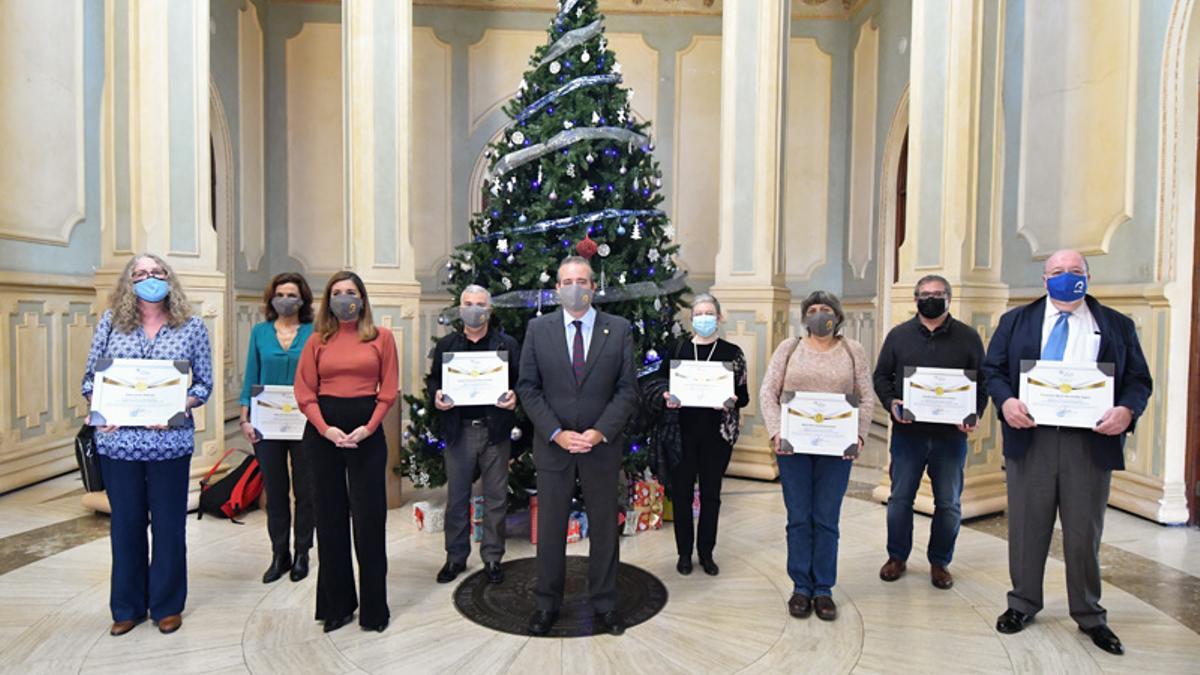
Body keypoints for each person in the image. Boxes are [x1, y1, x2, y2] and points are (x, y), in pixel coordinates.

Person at [981, 249, 1151, 656]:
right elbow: (993, 371)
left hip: (1089, 444)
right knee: (1026, 527)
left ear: (1088, 276)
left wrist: (1126, 411)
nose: (1066, 277)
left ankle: (1090, 614)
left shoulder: (1116, 325)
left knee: (1083, 533)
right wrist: (1005, 403)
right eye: (1057, 271)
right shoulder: (1015, 321)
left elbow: (1139, 380)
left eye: (1075, 271)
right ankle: (1022, 603)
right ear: (1044, 280)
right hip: (1031, 438)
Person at [81, 253, 213, 637]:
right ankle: (127, 606)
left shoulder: (191, 326)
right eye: (140, 273)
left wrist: (178, 404)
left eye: (157, 272)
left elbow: (202, 384)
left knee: (170, 527)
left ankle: (167, 605)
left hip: (169, 444)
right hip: (118, 444)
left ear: (169, 279)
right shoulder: (111, 323)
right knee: (126, 526)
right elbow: (91, 379)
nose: (149, 278)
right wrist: (101, 409)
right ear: (128, 282)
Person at [516, 256, 638, 637]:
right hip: (555, 447)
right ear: (557, 288)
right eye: (568, 281)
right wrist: (556, 432)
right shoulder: (538, 329)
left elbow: (627, 389)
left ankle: (605, 603)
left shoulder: (618, 331)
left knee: (604, 528)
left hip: (601, 447)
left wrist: (600, 431)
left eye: (582, 280)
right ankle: (546, 604)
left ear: (593, 287)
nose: (575, 287)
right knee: (550, 529)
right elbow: (528, 388)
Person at [294, 271, 399, 634]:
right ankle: (336, 606)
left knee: (370, 521)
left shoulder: (381, 337)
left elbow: (389, 389)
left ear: (362, 298)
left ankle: (374, 609)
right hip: (323, 433)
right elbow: (304, 391)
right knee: (330, 519)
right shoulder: (316, 339)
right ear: (328, 300)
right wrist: (325, 429)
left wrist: (370, 427)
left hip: (366, 431)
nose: (343, 298)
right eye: (336, 293)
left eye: (350, 292)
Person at [760, 290, 874, 622]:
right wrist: (776, 431)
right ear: (804, 315)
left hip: (836, 448)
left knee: (826, 518)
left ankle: (823, 588)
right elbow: (769, 391)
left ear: (837, 316)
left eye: (825, 309)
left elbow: (865, 396)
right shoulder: (789, 348)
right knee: (798, 517)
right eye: (812, 309)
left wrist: (859, 435)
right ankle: (800, 586)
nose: (819, 314)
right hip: (793, 446)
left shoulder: (853, 350)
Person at [872, 275, 986, 590]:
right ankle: (897, 557)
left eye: (938, 293)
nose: (931, 298)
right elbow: (881, 376)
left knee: (948, 503)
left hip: (951, 436)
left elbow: (982, 382)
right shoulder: (899, 336)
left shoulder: (968, 337)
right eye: (925, 294)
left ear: (948, 298)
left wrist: (974, 412)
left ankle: (940, 562)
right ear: (915, 299)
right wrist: (890, 401)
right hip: (909, 434)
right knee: (899, 499)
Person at [428, 285, 520, 585]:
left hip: (496, 430)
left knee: (495, 498)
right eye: (468, 303)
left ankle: (492, 557)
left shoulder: (506, 345)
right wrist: (437, 395)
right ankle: (455, 557)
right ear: (460, 308)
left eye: (480, 304)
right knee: (457, 498)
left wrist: (515, 397)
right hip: (459, 432)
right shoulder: (447, 347)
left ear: (490, 310)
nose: (475, 309)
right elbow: (434, 384)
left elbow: (522, 382)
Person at [657, 293, 749, 577]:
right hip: (681, 435)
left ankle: (706, 553)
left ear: (719, 318)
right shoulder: (678, 349)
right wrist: (665, 395)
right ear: (691, 318)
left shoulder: (732, 353)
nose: (704, 319)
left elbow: (743, 395)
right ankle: (684, 554)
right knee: (682, 495)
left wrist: (732, 401)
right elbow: (662, 381)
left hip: (717, 436)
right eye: (698, 314)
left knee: (711, 496)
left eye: (709, 313)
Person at [239, 273, 316, 584]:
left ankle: (302, 552)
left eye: (292, 294)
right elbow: (251, 376)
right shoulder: (260, 332)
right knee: (276, 489)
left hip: (304, 421)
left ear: (303, 299)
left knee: (305, 489)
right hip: (266, 421)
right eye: (280, 294)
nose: (286, 300)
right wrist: (244, 418)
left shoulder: (314, 332)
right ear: (271, 299)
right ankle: (279, 553)